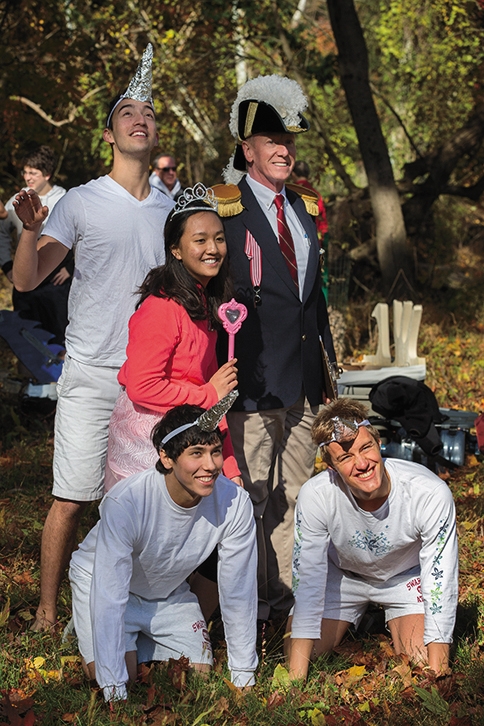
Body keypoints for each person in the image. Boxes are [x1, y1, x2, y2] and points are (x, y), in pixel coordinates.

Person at [12, 44, 174, 632]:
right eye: (127, 113)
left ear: (155, 132)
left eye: (148, 113)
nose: (139, 119)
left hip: (153, 379)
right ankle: (47, 613)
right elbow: (28, 279)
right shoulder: (80, 201)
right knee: (72, 496)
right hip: (91, 372)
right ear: (109, 135)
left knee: (144, 502)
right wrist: (30, 232)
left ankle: (129, 610)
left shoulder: (171, 208)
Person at [213, 74, 336, 622]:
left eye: (289, 141)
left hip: (305, 382)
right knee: (250, 501)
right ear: (248, 150)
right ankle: (240, 611)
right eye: (272, 142)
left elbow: (314, 299)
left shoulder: (306, 206)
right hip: (255, 380)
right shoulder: (226, 207)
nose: (284, 150)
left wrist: (328, 368)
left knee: (292, 501)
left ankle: (281, 610)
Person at [69, 401, 258, 702]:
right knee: (115, 678)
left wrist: (243, 671)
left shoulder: (235, 502)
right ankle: (104, 635)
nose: (210, 465)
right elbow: (109, 593)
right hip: (103, 584)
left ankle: (136, 642)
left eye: (215, 452)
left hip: (168, 593)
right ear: (166, 457)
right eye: (196, 453)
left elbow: (239, 589)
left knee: (196, 675)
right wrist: (114, 688)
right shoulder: (128, 502)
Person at [287, 398, 458, 680]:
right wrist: (293, 684)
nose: (362, 463)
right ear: (331, 467)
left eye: (365, 447)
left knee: (422, 659)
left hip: (404, 577)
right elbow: (308, 581)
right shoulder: (316, 495)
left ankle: (388, 617)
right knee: (302, 653)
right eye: (345, 457)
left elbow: (440, 579)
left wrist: (439, 675)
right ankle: (363, 619)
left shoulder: (428, 492)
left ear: (378, 442)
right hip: (342, 577)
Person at [105, 184, 241, 490]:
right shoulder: (162, 307)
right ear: (176, 250)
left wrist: (230, 466)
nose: (213, 248)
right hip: (147, 443)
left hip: (191, 437)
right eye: (200, 240)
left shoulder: (206, 304)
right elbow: (143, 387)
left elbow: (213, 393)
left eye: (219, 239)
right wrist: (207, 395)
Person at [0, 146, 72, 344]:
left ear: (47, 174)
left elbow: (81, 237)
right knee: (25, 336)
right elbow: (2, 234)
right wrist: (7, 266)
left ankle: (56, 376)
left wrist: (70, 268)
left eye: (34, 173)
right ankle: (27, 376)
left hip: (56, 283)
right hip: (26, 279)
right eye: (25, 172)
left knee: (58, 339)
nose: (28, 177)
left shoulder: (65, 200)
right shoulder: (16, 201)